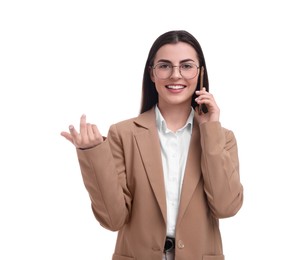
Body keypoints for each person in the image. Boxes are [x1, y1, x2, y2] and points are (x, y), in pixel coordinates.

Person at [61, 30, 243, 260]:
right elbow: (112, 219)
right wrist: (92, 153)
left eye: (187, 66)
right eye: (165, 66)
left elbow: (226, 207)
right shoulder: (123, 134)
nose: (176, 75)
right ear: (152, 73)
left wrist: (210, 130)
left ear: (200, 73)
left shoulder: (222, 137)